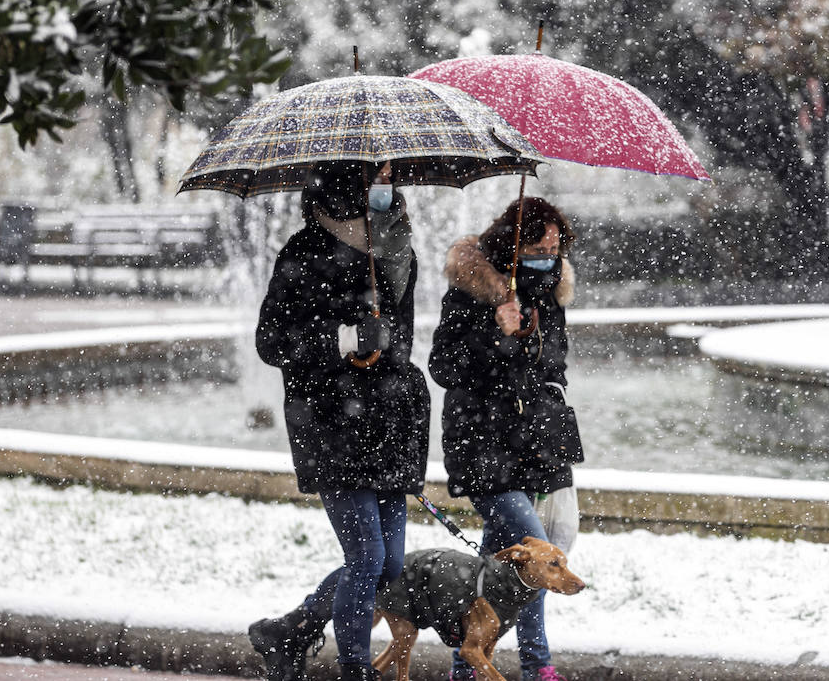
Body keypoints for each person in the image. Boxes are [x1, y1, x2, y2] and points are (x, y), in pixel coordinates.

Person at [250, 160, 429, 681]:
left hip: (387, 424)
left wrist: (389, 361)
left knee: (389, 566)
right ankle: (354, 669)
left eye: (392, 176)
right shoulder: (304, 253)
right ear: (348, 184)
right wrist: (342, 340)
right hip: (332, 423)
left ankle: (290, 629)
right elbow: (271, 342)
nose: (387, 187)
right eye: (378, 176)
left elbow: (403, 341)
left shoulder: (397, 250)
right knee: (368, 558)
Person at [429, 196, 583, 681]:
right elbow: (444, 366)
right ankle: (538, 666)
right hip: (482, 444)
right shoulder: (471, 292)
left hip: (536, 439)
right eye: (538, 246)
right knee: (537, 555)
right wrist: (497, 334)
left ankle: (465, 665)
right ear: (512, 248)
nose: (549, 255)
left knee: (510, 559)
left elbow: (554, 363)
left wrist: (537, 356)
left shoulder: (551, 293)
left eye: (556, 247)